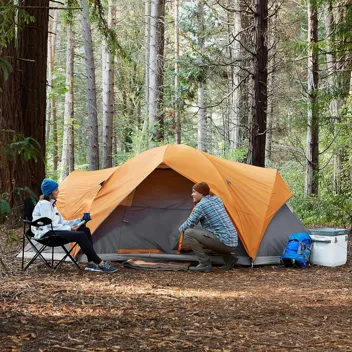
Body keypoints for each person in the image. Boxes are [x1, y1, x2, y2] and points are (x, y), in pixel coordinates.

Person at [31, 178, 118, 273]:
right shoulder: (44, 205)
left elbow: (61, 222)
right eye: (56, 190)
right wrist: (69, 228)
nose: (58, 191)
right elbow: (49, 225)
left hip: (53, 231)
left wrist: (78, 221)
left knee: (85, 230)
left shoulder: (51, 205)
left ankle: (91, 263)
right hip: (46, 235)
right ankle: (100, 263)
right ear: (50, 192)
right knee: (80, 235)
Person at [179, 182, 238, 272]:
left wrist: (180, 229)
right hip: (232, 241)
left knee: (189, 233)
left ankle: (204, 264)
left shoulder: (202, 205)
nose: (192, 194)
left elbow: (190, 223)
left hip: (224, 242)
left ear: (201, 192)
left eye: (194, 192)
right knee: (209, 236)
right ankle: (229, 259)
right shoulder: (216, 199)